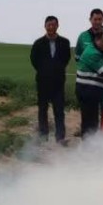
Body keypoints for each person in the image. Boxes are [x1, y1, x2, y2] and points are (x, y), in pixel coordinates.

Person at [30, 15, 71, 143]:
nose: (51, 27)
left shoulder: (64, 42)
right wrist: (44, 70)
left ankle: (60, 137)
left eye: (54, 25)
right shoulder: (38, 43)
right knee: (42, 109)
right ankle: (43, 135)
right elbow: (34, 60)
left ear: (57, 26)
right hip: (43, 81)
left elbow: (66, 59)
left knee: (59, 109)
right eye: (49, 25)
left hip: (58, 81)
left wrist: (56, 69)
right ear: (45, 26)